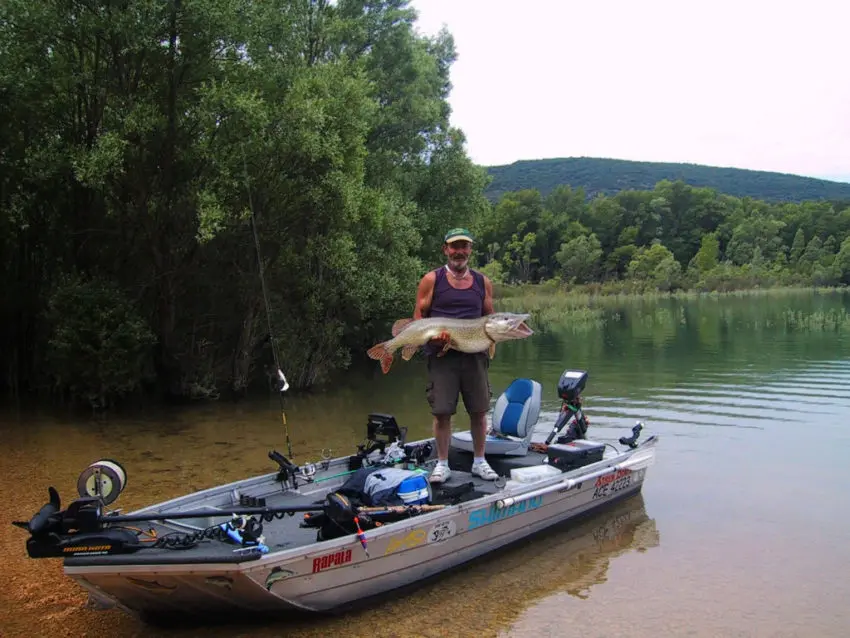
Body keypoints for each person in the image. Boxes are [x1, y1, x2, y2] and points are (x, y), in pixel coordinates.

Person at [413, 227, 499, 484]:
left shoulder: (483, 282)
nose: (459, 251)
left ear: (470, 250)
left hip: (474, 355)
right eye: (454, 246)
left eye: (464, 246)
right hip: (442, 357)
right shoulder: (431, 279)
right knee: (441, 412)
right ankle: (442, 464)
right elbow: (418, 317)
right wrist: (431, 337)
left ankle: (480, 461)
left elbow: (490, 319)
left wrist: (495, 337)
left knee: (479, 411)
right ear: (445, 249)